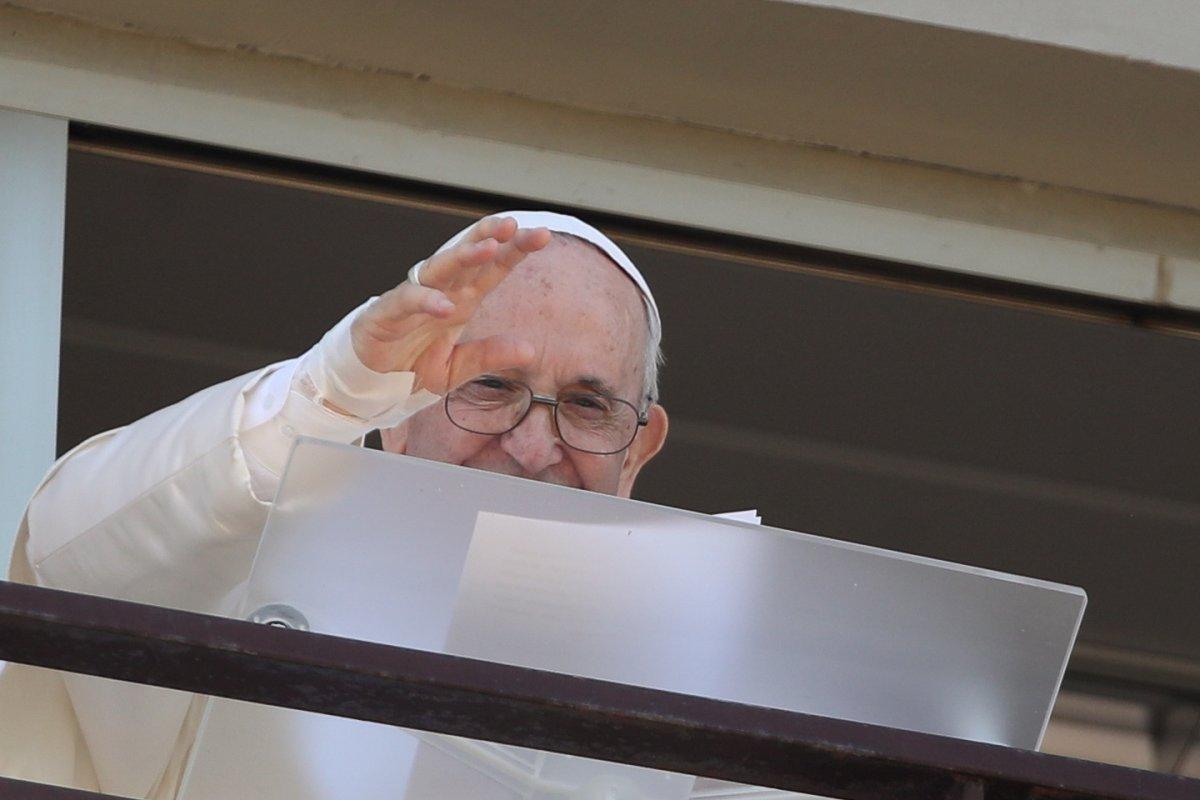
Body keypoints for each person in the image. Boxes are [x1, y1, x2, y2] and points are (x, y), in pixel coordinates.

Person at [0, 210, 670, 799]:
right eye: (489, 385)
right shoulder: (245, 612)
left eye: (588, 405)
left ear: (637, 453)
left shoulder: (707, 704)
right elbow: (74, 546)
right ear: (399, 420)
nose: (532, 448)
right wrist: (334, 393)